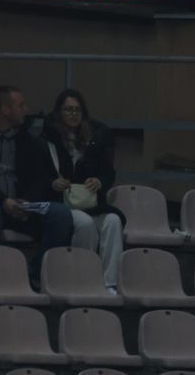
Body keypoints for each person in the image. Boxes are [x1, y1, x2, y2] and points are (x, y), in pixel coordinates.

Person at [0, 84, 74, 286]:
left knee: (59, 214)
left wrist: (27, 201)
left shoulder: (26, 140)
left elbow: (40, 178)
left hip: (20, 204)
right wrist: (2, 201)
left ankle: (35, 275)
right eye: (21, 105)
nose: (27, 110)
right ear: (5, 110)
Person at [40, 88, 125, 295]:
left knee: (113, 221)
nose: (73, 114)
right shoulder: (47, 141)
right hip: (63, 203)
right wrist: (53, 183)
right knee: (84, 224)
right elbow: (37, 176)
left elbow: (108, 173)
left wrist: (99, 181)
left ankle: (109, 283)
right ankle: (83, 279)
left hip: (91, 202)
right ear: (59, 112)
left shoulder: (95, 139)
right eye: (68, 109)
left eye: (77, 110)